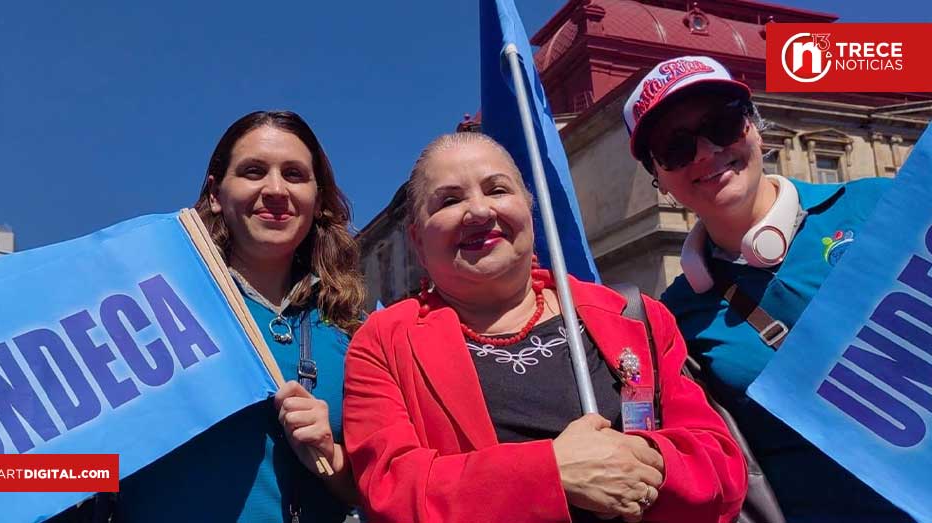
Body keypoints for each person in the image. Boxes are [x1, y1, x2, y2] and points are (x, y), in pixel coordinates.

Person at [342, 132, 747, 523]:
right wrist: (552, 473)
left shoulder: (632, 315)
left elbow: (721, 466)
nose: (480, 211)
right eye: (449, 200)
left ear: (529, 209)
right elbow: (391, 494)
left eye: (497, 190)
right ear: (417, 239)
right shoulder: (382, 342)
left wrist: (641, 467)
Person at [623, 55, 915, 523]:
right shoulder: (675, 315)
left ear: (755, 128)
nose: (703, 151)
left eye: (721, 123)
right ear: (659, 179)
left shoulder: (878, 205)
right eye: (675, 148)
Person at [115, 110, 364, 522]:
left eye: (295, 174)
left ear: (318, 200)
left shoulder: (352, 335)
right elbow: (79, 461)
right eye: (253, 171)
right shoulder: (153, 313)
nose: (275, 189)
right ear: (215, 193)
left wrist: (330, 455)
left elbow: (377, 490)